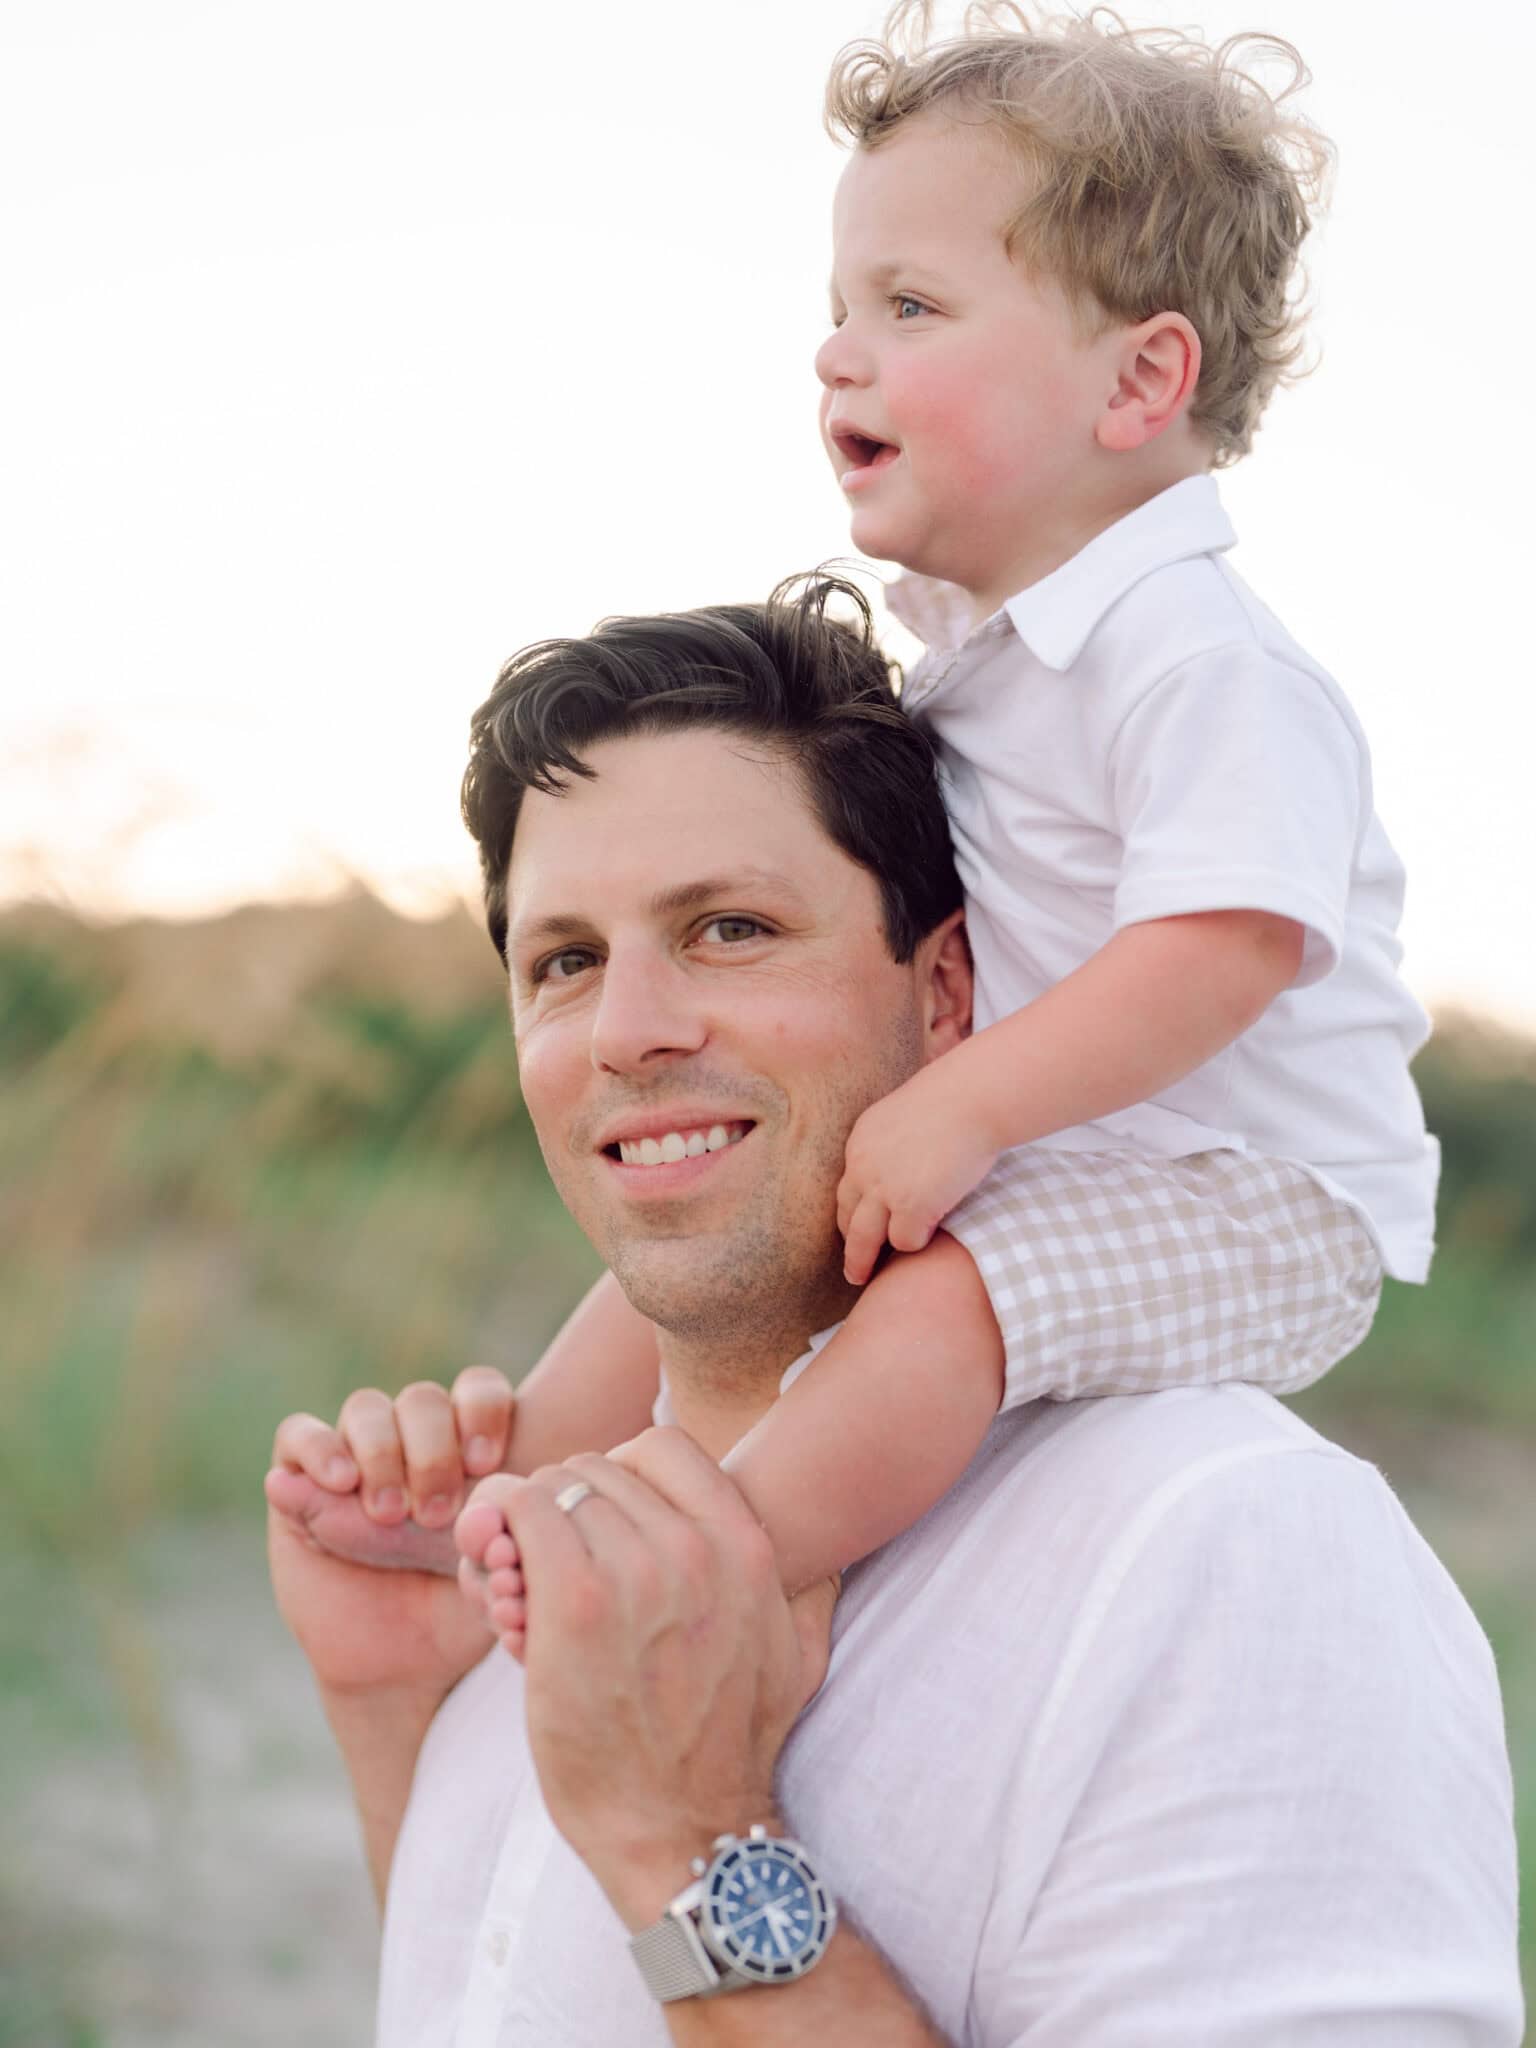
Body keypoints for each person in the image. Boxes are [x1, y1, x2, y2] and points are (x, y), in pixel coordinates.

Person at [267, 578, 1521, 2043]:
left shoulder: (1232, 1547)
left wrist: (695, 1846)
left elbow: (660, 1893)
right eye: (566, 963)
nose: (629, 1028)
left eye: (731, 928)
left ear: (944, 995)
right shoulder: (553, 1534)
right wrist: (401, 1702)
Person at [402, 5, 1438, 1636]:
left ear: (1141, 376)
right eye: (837, 308)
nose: (838, 351)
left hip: (1254, 1191)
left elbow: (1228, 945)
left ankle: (711, 1571)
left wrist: (965, 1112)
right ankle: (504, 1481)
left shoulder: (1200, 657)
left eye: (910, 305)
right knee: (760, 1211)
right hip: (1081, 1147)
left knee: (947, 1303)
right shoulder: (983, 656)